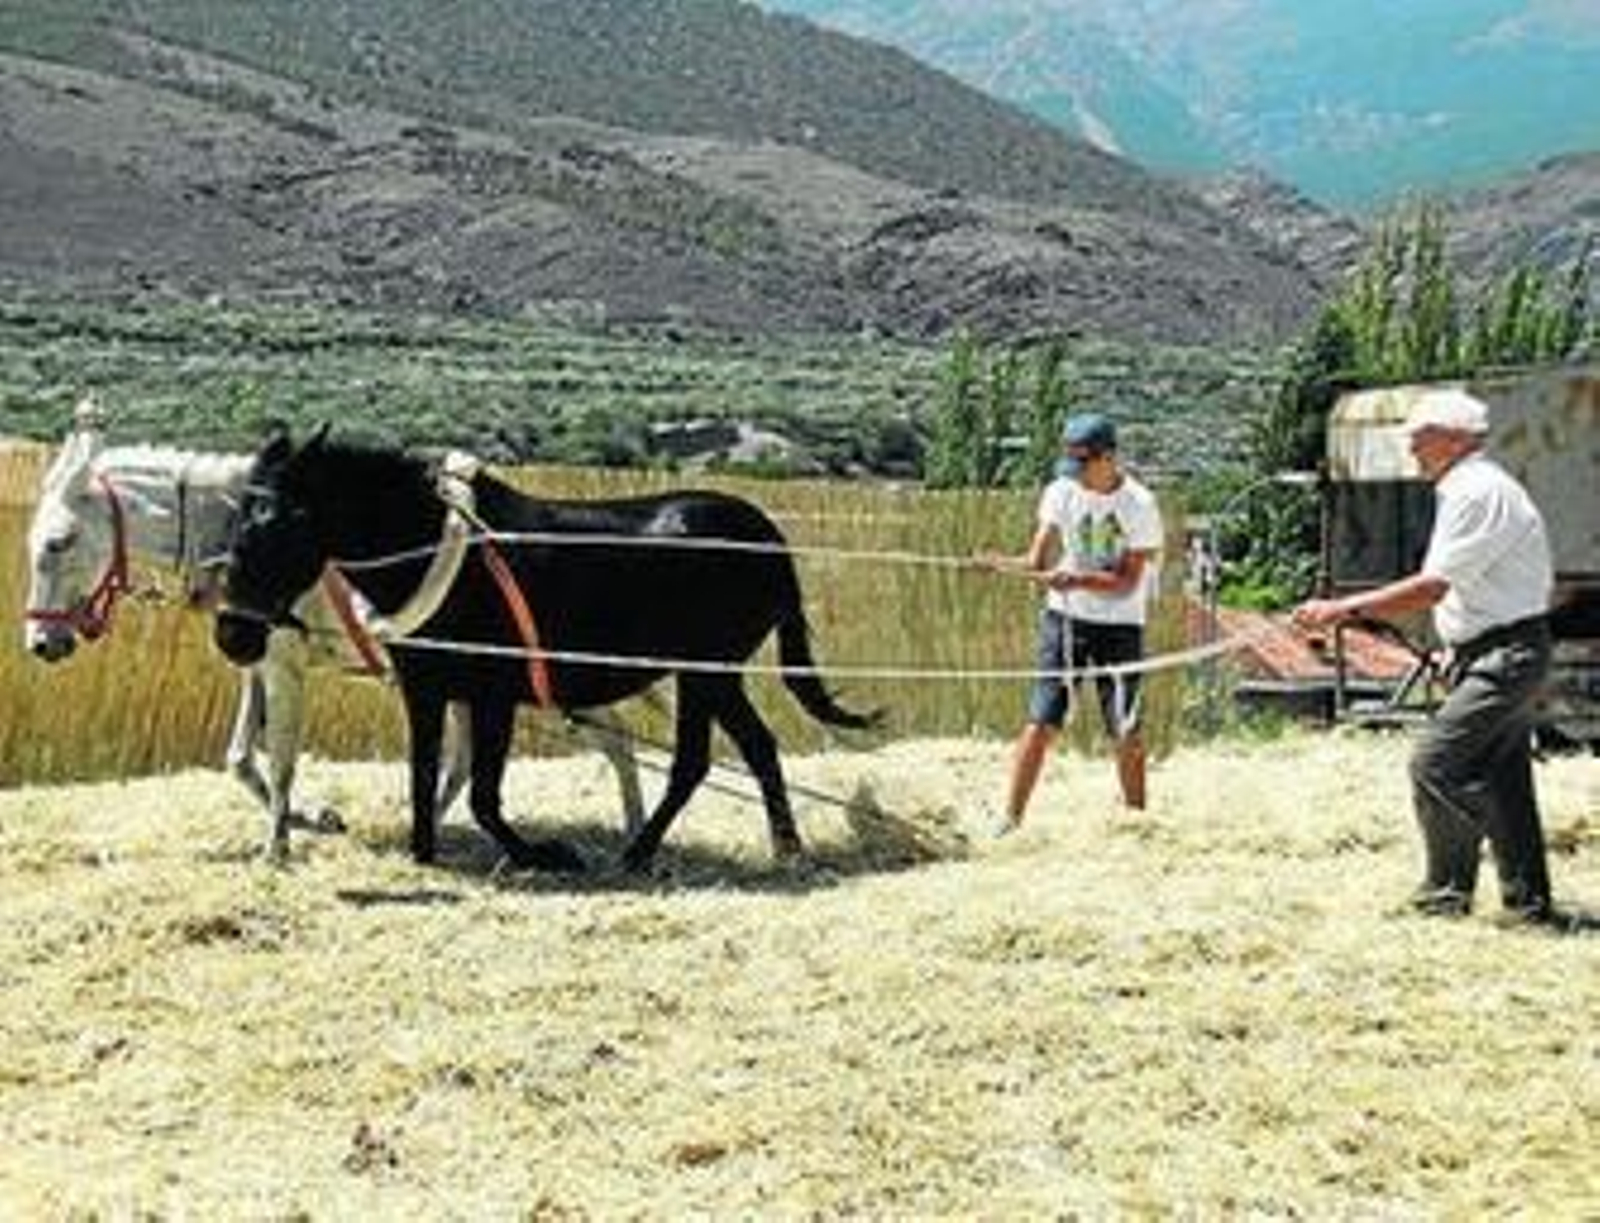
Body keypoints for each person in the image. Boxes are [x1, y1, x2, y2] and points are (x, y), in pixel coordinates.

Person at [1291, 387, 1565, 927]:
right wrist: (1455, 647)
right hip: (1502, 649)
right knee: (1504, 780)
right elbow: (1475, 586)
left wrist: (1340, 608)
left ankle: (1445, 896)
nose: (1411, 447)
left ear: (1456, 438)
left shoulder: (1475, 492)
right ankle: (1528, 905)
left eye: (1419, 436)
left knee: (1436, 764)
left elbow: (1434, 585)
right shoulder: (1474, 487)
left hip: (1505, 654)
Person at [982, 412, 1164, 832]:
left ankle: (1138, 825)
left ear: (1109, 458)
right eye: (1072, 462)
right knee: (1041, 721)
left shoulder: (1139, 505)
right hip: (1064, 621)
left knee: (1125, 728)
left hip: (1120, 628)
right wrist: (998, 564)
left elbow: (1126, 582)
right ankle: (1010, 820)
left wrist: (1078, 579)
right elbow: (1035, 560)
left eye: (1083, 463)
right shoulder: (1060, 492)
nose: (1076, 472)